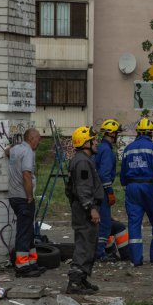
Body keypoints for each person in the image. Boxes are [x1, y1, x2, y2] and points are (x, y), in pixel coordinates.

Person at [120, 118, 153, 267]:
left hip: (132, 188)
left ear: (138, 132)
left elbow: (122, 173)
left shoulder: (128, 149)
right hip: (150, 187)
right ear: (150, 132)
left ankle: (136, 259)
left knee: (134, 223)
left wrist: (126, 186)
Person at [65, 126, 104, 294]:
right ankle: (74, 282)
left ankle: (81, 279)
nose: (96, 142)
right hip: (85, 208)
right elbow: (83, 188)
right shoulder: (82, 162)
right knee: (84, 244)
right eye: (93, 140)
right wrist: (90, 208)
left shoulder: (84, 160)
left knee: (89, 243)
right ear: (85, 143)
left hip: (83, 206)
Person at [7, 128, 44, 278]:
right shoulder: (28, 152)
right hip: (23, 197)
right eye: (38, 139)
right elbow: (26, 175)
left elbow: (6, 151)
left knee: (28, 230)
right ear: (31, 138)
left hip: (13, 196)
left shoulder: (15, 149)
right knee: (24, 231)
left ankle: (31, 263)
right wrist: (29, 196)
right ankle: (22, 267)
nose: (39, 142)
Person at [94, 119, 129, 262]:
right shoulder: (107, 150)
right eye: (117, 133)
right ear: (112, 134)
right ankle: (100, 253)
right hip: (102, 190)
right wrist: (109, 191)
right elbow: (104, 174)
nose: (117, 136)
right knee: (105, 224)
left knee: (99, 221)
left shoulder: (98, 148)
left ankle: (98, 251)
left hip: (94, 190)